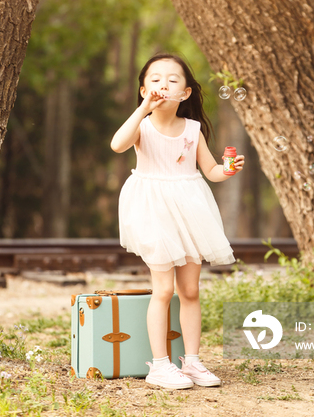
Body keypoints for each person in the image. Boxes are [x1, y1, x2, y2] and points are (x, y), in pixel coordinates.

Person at [110, 53, 244, 390]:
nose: (163, 85)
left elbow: (210, 171)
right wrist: (143, 108)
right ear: (144, 89)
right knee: (164, 289)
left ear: (185, 93)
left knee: (189, 290)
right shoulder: (141, 124)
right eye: (155, 80)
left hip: (189, 208)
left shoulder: (193, 129)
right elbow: (117, 145)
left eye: (172, 80)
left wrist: (226, 171)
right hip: (152, 207)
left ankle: (193, 361)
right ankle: (159, 365)